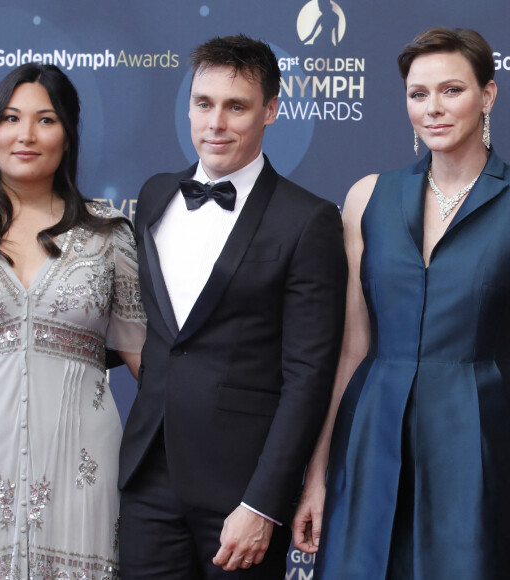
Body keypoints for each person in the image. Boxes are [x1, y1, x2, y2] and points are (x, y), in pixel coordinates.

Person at [117, 34, 347, 579]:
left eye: (236, 106)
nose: (215, 122)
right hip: (148, 476)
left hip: (240, 491)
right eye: (203, 104)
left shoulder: (307, 219)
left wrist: (265, 502)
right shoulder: (154, 196)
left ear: (270, 110)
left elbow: (308, 373)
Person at [292, 27, 510, 579]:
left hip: (479, 440)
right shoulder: (368, 196)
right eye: (418, 94)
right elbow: (349, 349)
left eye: (451, 91)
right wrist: (317, 473)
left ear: (488, 96)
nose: (432, 108)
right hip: (370, 435)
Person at [0, 64, 146, 578]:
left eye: (45, 120)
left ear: (68, 136)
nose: (26, 135)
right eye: (11, 118)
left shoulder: (109, 234)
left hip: (82, 474)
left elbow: (153, 369)